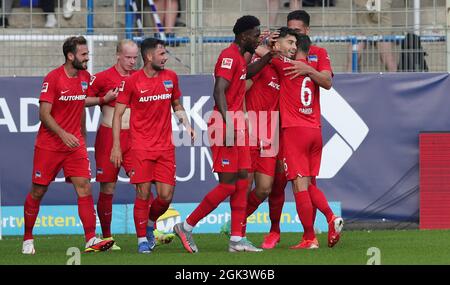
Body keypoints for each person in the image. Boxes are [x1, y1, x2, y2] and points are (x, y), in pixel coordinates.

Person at [173, 15, 273, 253]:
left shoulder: (238, 57)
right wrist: (229, 124)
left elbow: (246, 73)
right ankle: (186, 226)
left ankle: (237, 240)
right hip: (225, 125)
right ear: (243, 36)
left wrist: (269, 57)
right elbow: (218, 91)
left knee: (241, 185)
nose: (258, 38)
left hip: (237, 125)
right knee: (228, 186)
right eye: (255, 34)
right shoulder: (228, 56)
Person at [22, 36, 115, 255]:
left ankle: (91, 239)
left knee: (84, 187)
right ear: (70, 56)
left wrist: (102, 100)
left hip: (75, 145)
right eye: (83, 55)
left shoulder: (84, 77)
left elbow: (81, 100)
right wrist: (63, 134)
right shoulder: (53, 78)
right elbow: (44, 114)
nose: (87, 58)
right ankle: (27, 238)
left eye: (87, 54)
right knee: (38, 190)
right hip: (50, 145)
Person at [261, 10, 343, 249]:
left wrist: (269, 44)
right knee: (296, 183)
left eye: (296, 34)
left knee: (298, 183)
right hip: (308, 129)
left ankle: (309, 237)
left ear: (306, 31)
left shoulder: (298, 60)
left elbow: (327, 82)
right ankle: (328, 218)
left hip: (294, 130)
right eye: (289, 33)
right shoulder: (300, 58)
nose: (293, 39)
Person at [86, 39, 175, 250]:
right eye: (128, 57)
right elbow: (80, 99)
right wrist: (102, 99)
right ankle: (107, 237)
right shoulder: (103, 77)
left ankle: (148, 231)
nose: (132, 61)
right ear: (118, 55)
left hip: (137, 138)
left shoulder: (142, 78)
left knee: (144, 185)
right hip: (110, 136)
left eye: (135, 57)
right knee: (108, 185)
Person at [110, 37, 195, 254]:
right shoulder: (132, 82)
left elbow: (176, 103)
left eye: (165, 53)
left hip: (165, 147)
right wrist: (117, 146)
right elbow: (118, 115)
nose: (165, 58)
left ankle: (149, 224)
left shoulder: (171, 78)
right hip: (140, 147)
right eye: (162, 54)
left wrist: (186, 124)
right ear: (149, 57)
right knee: (143, 192)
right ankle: (141, 240)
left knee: (165, 196)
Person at [346, 0, 397, 72]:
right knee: (352, 58)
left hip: (382, 28)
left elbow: (376, 17)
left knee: (388, 60)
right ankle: (348, 81)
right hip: (362, 28)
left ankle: (395, 81)